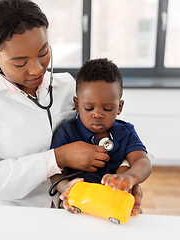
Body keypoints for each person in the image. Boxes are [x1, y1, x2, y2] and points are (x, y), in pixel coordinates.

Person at [0, 0, 144, 212]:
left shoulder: (67, 86)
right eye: (20, 63)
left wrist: (126, 176)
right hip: (6, 213)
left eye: (43, 52)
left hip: (70, 208)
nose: (36, 70)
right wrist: (58, 158)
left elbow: (114, 134)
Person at [50, 58, 152, 213]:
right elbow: (56, 171)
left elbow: (143, 161)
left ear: (120, 107)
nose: (97, 114)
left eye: (108, 108)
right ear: (77, 104)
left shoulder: (125, 132)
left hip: (113, 207)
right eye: (89, 108)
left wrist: (130, 178)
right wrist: (65, 187)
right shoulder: (67, 132)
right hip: (78, 206)